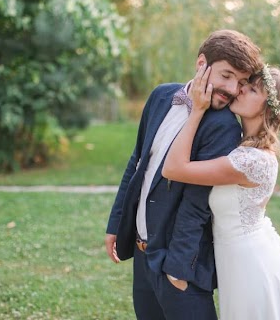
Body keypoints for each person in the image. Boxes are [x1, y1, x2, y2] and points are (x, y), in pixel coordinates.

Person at [105, 29, 264, 320]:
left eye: (241, 82)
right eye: (226, 75)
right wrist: (116, 223)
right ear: (201, 63)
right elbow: (137, 162)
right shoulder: (160, 96)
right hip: (143, 253)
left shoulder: (223, 126)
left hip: (179, 264)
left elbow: (197, 202)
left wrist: (177, 270)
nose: (231, 89)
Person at [162, 60, 280, 320]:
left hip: (251, 264)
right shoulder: (241, 147)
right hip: (238, 256)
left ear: (268, 110)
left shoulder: (252, 160)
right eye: (246, 85)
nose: (241, 89)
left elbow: (173, 169)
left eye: (254, 90)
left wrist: (196, 112)